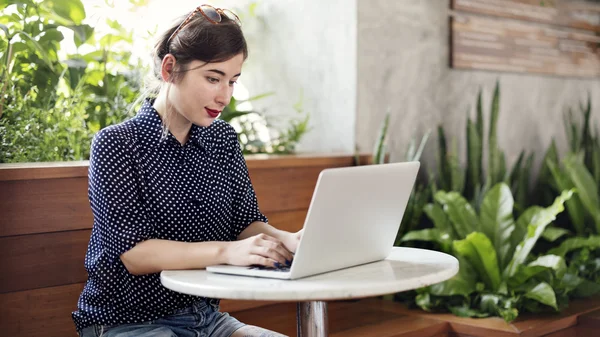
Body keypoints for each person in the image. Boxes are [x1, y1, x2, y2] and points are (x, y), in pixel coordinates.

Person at [73, 4, 301, 337]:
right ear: (169, 69)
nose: (224, 96)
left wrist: (289, 240)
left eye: (233, 82)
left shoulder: (222, 139)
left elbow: (244, 222)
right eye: (213, 78)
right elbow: (135, 254)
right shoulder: (117, 144)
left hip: (205, 319)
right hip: (126, 322)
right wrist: (227, 251)